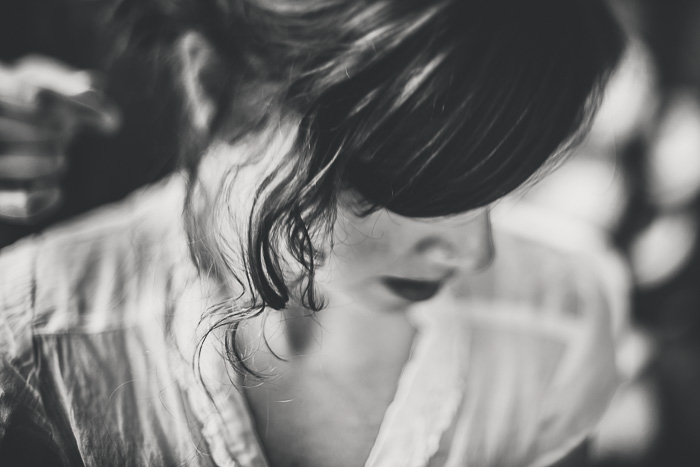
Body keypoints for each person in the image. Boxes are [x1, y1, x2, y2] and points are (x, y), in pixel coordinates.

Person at [0, 0, 627, 466]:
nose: (473, 252)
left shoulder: (556, 322)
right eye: (415, 185)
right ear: (218, 84)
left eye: (497, 185)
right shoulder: (33, 348)